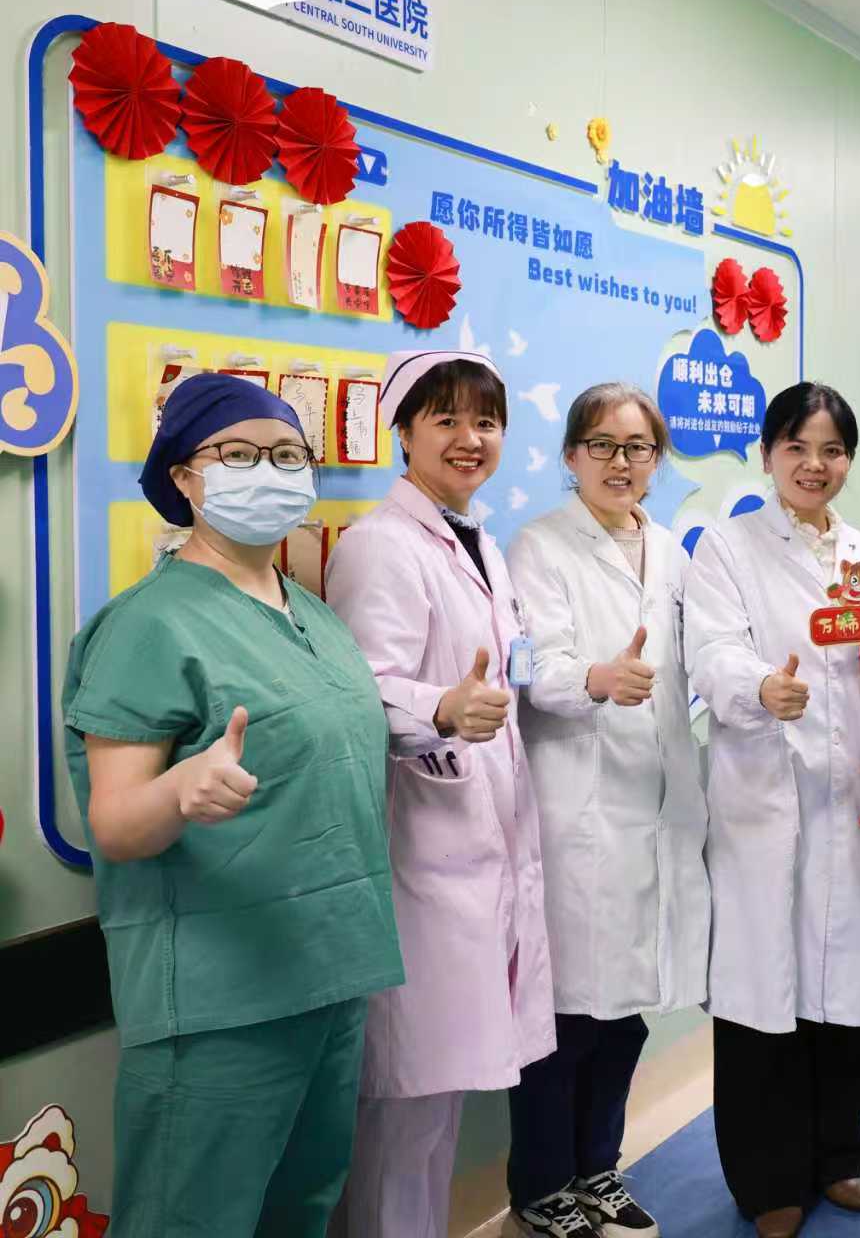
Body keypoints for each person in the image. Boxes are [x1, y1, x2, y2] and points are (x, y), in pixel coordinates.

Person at [62, 374, 403, 1237]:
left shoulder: (312, 615)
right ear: (184, 476)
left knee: (302, 1210)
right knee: (193, 1220)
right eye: (240, 454)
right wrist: (180, 790)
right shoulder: (149, 625)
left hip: (330, 973)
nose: (270, 470)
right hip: (221, 1001)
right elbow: (115, 823)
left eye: (288, 455)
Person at [326, 351, 556, 1237]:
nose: (470, 439)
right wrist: (442, 709)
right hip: (420, 855)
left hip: (476, 847)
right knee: (407, 1103)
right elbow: (363, 690)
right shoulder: (380, 546)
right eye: (447, 420)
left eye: (486, 422)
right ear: (405, 432)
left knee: (439, 1094)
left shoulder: (477, 540)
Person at [683, 383, 860, 1238]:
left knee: (846, 990)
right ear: (768, 454)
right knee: (765, 996)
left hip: (852, 800)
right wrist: (759, 688)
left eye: (832, 450)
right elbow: (712, 651)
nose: (815, 466)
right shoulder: (729, 548)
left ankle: (836, 1159)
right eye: (798, 448)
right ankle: (768, 1181)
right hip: (766, 802)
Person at [502, 384, 707, 1238]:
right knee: (567, 1019)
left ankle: (599, 1169)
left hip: (656, 802)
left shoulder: (671, 550)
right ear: (571, 456)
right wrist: (597, 678)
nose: (621, 463)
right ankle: (542, 1187)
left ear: (657, 459)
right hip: (578, 808)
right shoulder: (540, 545)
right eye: (603, 445)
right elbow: (533, 668)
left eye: (638, 447)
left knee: (623, 1016)